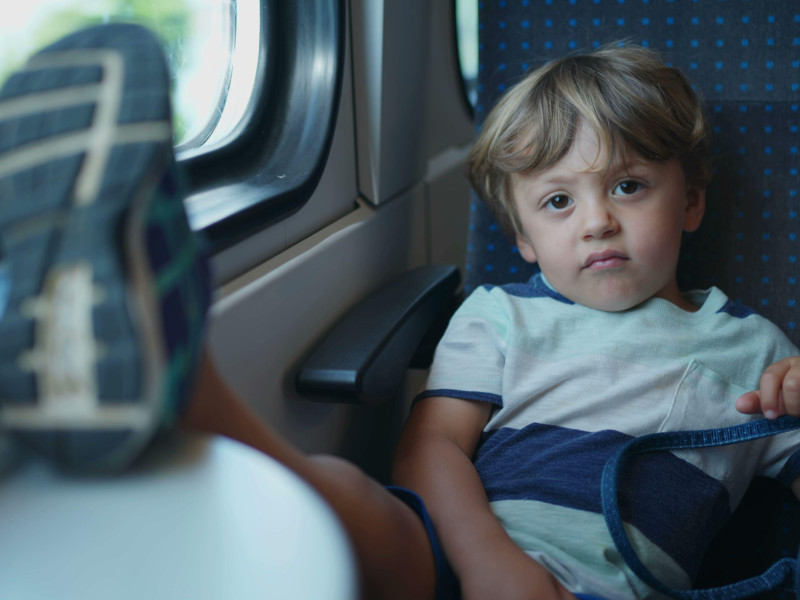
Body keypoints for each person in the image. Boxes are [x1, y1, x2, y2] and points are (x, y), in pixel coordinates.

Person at [0, 24, 797, 600]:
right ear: (520, 238)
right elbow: (429, 453)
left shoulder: (755, 349)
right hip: (456, 551)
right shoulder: (500, 316)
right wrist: (488, 560)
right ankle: (182, 378)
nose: (596, 220)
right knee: (347, 492)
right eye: (558, 201)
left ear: (689, 201)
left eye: (628, 186)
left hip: (609, 583)